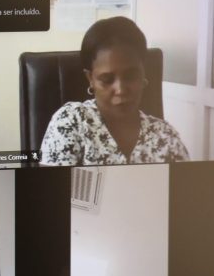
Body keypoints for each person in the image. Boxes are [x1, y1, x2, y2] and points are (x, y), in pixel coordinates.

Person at [40, 16, 189, 165]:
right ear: (90, 78)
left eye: (131, 76)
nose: (120, 90)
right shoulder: (71, 122)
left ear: (143, 74)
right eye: (107, 79)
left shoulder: (166, 136)